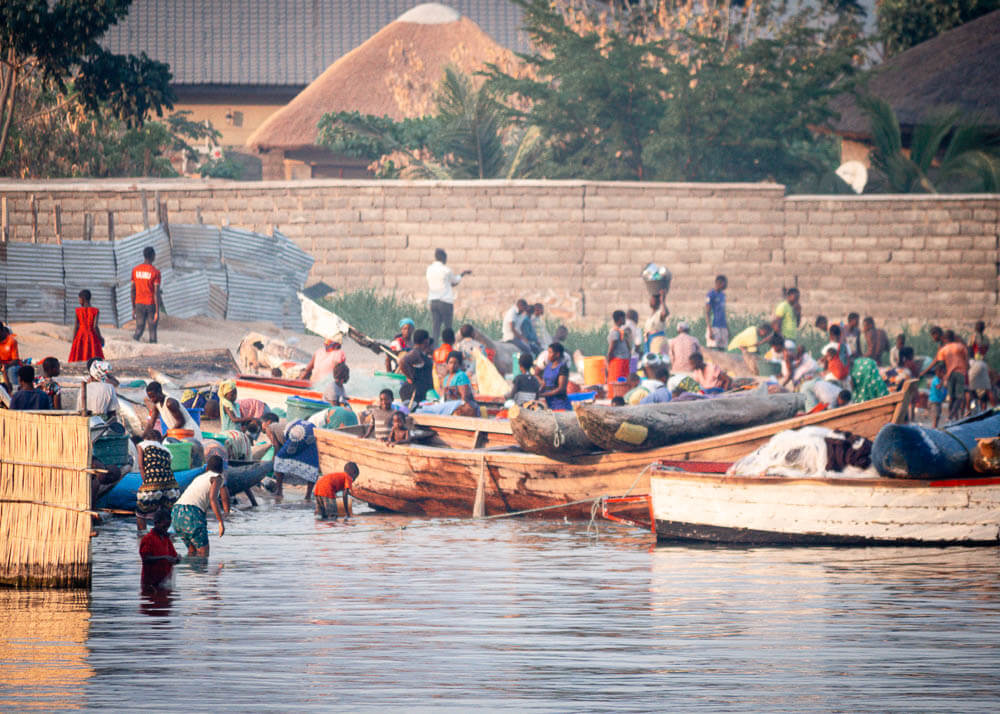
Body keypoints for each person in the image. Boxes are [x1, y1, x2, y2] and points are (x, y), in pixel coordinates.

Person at [171, 454, 228, 557]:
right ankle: (202, 573)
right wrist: (220, 522)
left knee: (192, 553)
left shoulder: (200, 477)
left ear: (207, 468)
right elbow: (213, 498)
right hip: (192, 512)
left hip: (176, 513)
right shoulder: (217, 478)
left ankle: (189, 573)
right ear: (221, 470)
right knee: (203, 554)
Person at [135, 430, 181, 532]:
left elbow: (141, 466)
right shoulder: (166, 450)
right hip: (172, 487)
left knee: (140, 513)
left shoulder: (142, 445)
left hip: (154, 484)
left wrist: (146, 483)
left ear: (145, 438)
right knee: (165, 513)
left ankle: (142, 535)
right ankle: (166, 536)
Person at [426, 248, 470, 344]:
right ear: (443, 258)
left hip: (433, 301)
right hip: (445, 302)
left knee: (436, 328)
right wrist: (462, 274)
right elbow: (454, 282)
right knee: (448, 328)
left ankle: (435, 349)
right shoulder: (446, 270)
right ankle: (448, 349)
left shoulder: (429, 269)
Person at [273, 419, 320, 501]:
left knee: (279, 459)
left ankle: (279, 491)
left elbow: (284, 441)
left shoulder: (273, 428)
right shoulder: (310, 423)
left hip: (296, 433)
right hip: (311, 436)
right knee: (312, 463)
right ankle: (308, 496)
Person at [139, 509, 180, 593]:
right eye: (164, 527)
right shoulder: (148, 538)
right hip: (150, 585)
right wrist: (164, 558)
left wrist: (177, 559)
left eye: (168, 527)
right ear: (156, 523)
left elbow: (173, 556)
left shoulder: (166, 539)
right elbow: (146, 558)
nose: (166, 529)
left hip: (164, 582)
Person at [131, 246, 163, 343]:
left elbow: (132, 290)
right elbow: (156, 293)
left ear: (144, 256)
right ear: (153, 256)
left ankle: (133, 347)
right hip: (151, 304)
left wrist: (133, 308)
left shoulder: (135, 270)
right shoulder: (155, 272)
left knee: (139, 329)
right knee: (152, 330)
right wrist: (157, 311)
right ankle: (153, 355)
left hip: (138, 303)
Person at [68, 289, 105, 363]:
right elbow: (95, 327)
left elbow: (76, 326)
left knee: (79, 356)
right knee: (93, 355)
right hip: (91, 336)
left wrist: (74, 340)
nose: (79, 301)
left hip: (80, 335)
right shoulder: (95, 311)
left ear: (83, 299)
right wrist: (100, 337)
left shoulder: (78, 311)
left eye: (79, 299)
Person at [399, 329, 433, 404]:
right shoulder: (415, 352)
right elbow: (402, 362)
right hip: (413, 392)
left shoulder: (421, 353)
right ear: (426, 341)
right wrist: (410, 377)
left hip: (419, 392)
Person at [440, 351, 479, 417]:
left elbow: (464, 398)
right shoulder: (446, 378)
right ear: (447, 364)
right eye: (450, 363)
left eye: (455, 363)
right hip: (450, 407)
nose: (452, 365)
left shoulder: (461, 375)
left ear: (459, 364)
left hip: (465, 407)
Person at [536, 342, 571, 410]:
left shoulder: (563, 368)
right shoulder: (548, 366)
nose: (548, 355)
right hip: (549, 404)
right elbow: (544, 383)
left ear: (557, 354)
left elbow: (561, 389)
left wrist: (544, 395)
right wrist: (539, 392)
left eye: (550, 352)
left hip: (561, 405)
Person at [607, 310, 632, 385]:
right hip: (618, 361)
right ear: (620, 319)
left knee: (620, 383)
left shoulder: (621, 332)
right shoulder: (615, 332)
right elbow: (612, 348)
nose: (625, 320)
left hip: (622, 361)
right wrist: (608, 359)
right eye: (624, 318)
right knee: (618, 383)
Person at [705, 275, 728, 349]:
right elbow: (707, 312)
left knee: (722, 349)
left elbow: (723, 312)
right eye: (725, 283)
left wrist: (727, 328)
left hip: (723, 326)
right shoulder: (711, 294)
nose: (726, 285)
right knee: (711, 347)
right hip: (714, 326)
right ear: (719, 283)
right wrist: (710, 329)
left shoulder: (723, 295)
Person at [644, 290, 669, 354]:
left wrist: (663, 301)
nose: (651, 301)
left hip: (658, 341)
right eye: (651, 299)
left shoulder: (659, 313)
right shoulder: (650, 316)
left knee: (657, 359)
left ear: (658, 302)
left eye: (653, 300)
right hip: (649, 340)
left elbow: (665, 313)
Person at [432, 327, 456, 392]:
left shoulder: (435, 352)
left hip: (437, 382)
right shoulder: (452, 353)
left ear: (442, 339)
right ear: (453, 339)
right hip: (448, 383)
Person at [0, 321, 21, 391]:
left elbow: (16, 360)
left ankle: (15, 392)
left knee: (11, 371)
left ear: (2, 330)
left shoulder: (11, 341)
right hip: (2, 366)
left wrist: (5, 366)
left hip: (12, 365)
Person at [928, 362, 947, 428]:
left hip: (938, 401)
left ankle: (935, 427)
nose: (944, 374)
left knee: (938, 416)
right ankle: (934, 428)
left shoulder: (939, 379)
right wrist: (943, 381)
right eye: (943, 373)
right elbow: (938, 387)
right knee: (935, 416)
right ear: (938, 372)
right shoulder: (936, 379)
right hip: (934, 401)